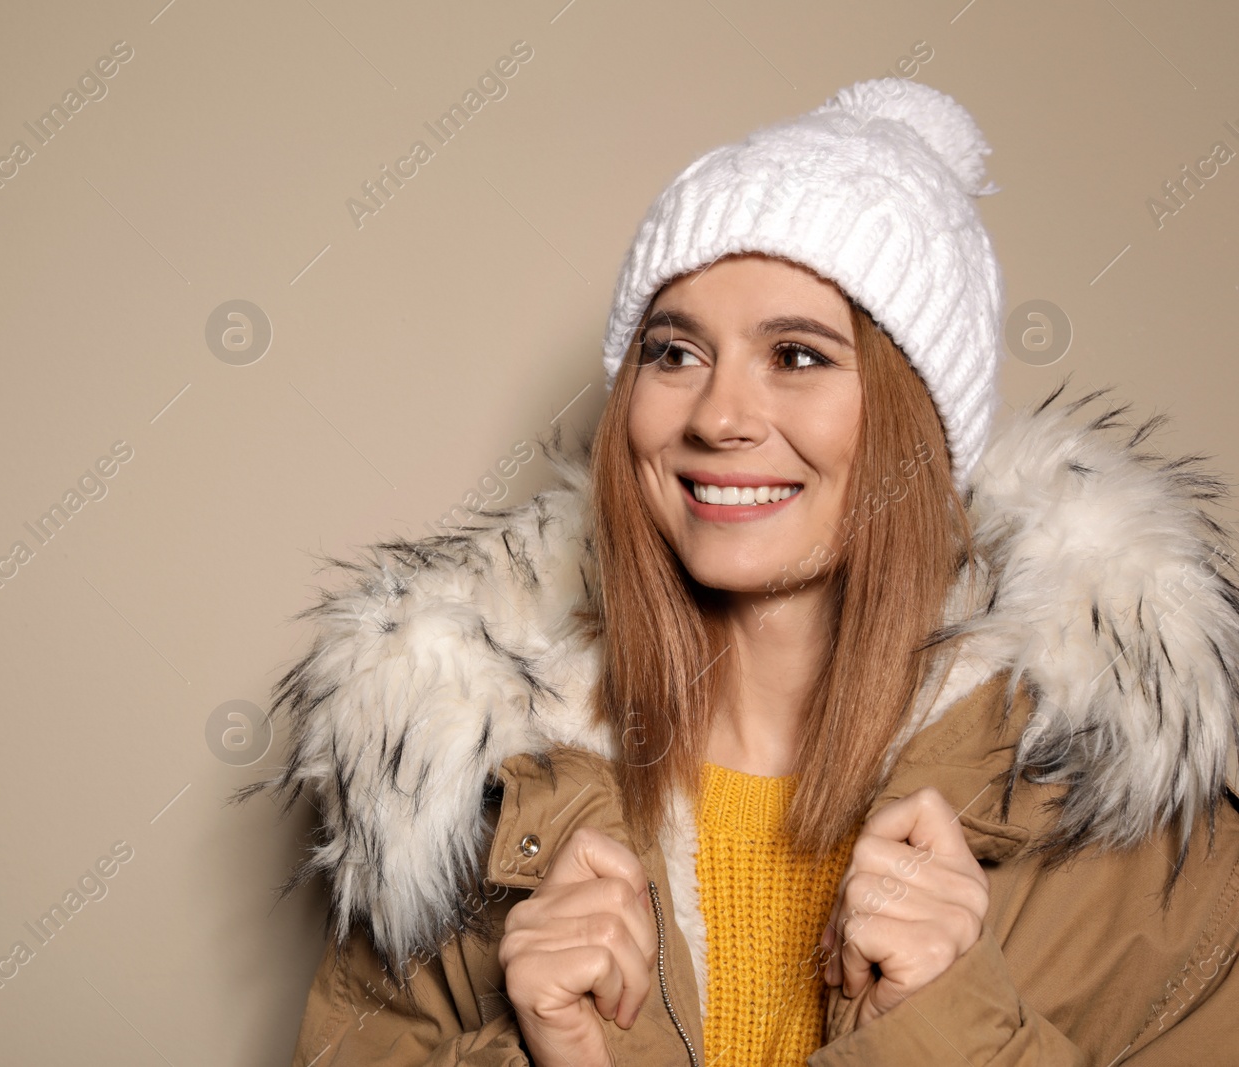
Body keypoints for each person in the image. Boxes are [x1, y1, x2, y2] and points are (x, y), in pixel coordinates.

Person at [236, 78, 1239, 1065]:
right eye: (673, 352)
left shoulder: (1143, 839)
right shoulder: (460, 791)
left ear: (917, 425)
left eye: (797, 356)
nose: (716, 416)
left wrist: (951, 1033)